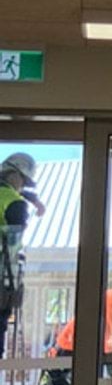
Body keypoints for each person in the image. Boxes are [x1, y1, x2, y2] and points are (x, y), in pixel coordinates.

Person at [0, 152, 43, 355]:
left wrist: (30, 198)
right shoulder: (15, 203)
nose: (22, 187)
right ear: (14, 176)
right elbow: (13, 243)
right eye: (23, 181)